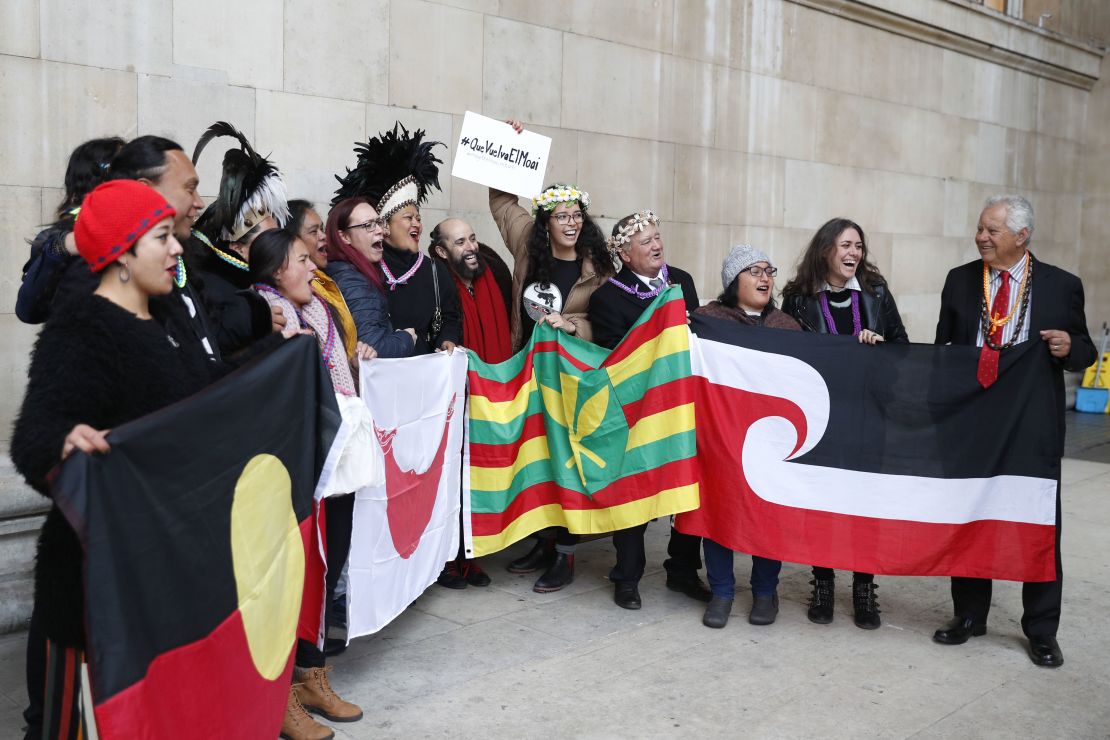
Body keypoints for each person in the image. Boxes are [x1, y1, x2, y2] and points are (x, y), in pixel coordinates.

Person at [10, 181, 217, 740]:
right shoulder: (82, 326)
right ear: (123, 253)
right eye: (161, 237)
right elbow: (33, 437)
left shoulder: (169, 315)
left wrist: (282, 355)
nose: (176, 249)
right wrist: (65, 440)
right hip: (91, 582)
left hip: (161, 568)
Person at [932, 194, 1095, 668]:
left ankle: (1041, 630)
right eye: (980, 228)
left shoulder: (1062, 285)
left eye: (992, 231)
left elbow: (1084, 349)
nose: (981, 237)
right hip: (972, 422)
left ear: (1022, 236)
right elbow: (945, 348)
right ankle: (968, 616)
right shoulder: (960, 280)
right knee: (970, 517)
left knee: (1037, 524)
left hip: (1030, 426)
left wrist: (1070, 348)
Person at [249, 229, 370, 737]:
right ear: (277, 270)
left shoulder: (319, 311)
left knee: (328, 562)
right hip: (293, 462)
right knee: (292, 574)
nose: (313, 268)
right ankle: (279, 696)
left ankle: (311, 674)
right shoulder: (263, 318)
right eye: (303, 259)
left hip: (334, 449)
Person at [489, 118, 615, 593]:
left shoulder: (599, 268)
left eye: (576, 216)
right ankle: (543, 539)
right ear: (545, 223)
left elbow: (607, 325)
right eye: (561, 216)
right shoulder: (527, 246)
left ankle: (564, 553)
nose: (570, 223)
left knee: (565, 462)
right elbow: (502, 202)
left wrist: (573, 324)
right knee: (537, 459)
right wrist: (508, 144)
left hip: (573, 382)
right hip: (529, 373)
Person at [781, 217, 908, 630]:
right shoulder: (798, 299)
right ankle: (822, 582)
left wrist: (880, 347)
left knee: (864, 500)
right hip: (822, 416)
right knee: (824, 500)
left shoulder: (876, 293)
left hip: (869, 412)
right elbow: (788, 355)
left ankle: (864, 587)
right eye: (845, 246)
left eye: (858, 246)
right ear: (825, 251)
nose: (854, 253)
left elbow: (903, 350)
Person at [586, 210, 710, 610]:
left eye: (658, 237)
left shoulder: (682, 281)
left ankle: (684, 570)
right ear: (624, 253)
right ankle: (627, 576)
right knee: (634, 492)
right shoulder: (607, 297)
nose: (657, 246)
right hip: (636, 409)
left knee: (688, 487)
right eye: (646, 242)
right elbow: (612, 354)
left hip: (684, 402)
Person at [694, 244, 801, 628]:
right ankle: (721, 591)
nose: (764, 278)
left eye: (768, 270)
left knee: (767, 514)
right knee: (718, 512)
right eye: (753, 271)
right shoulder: (707, 322)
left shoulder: (787, 326)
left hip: (769, 443)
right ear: (732, 281)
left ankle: (764, 591)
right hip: (721, 438)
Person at [426, 218, 513, 589]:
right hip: (451, 397)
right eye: (460, 242)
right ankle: (446, 560)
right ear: (443, 251)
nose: (471, 247)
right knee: (448, 479)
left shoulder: (492, 278)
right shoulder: (436, 283)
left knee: (475, 477)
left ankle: (469, 554)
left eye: (473, 239)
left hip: (489, 394)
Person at [332, 123, 461, 356]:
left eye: (419, 218)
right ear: (385, 227)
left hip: (425, 370)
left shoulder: (434, 270)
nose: (417, 224)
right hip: (380, 372)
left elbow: (450, 316)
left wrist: (447, 339)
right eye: (408, 217)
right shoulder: (364, 269)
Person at [190, 122, 290, 356]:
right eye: (269, 238)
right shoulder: (210, 287)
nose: (278, 247)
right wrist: (256, 318)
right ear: (238, 247)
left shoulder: (260, 282)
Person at [16, 136, 124, 324]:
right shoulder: (57, 238)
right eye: (125, 169)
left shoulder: (147, 232)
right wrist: (60, 248)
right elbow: (28, 312)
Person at [324, 196, 417, 357]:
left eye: (379, 222)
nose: (380, 230)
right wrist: (407, 337)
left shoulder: (346, 270)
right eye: (368, 225)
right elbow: (372, 348)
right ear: (344, 237)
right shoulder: (353, 281)